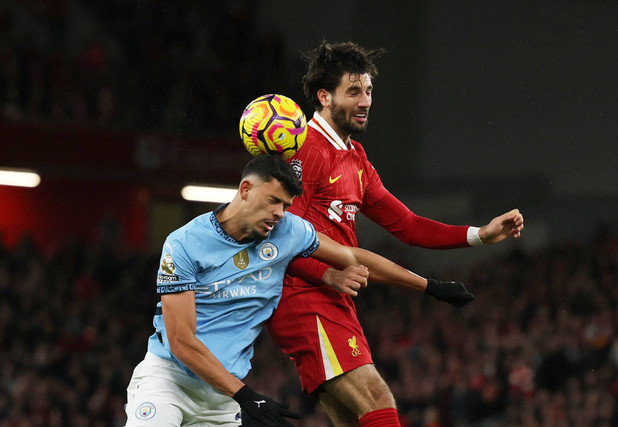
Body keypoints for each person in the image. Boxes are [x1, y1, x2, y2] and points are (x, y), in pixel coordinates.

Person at [266, 41, 526, 426]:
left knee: (355, 418)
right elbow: (280, 239)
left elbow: (407, 225)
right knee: (376, 398)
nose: (366, 100)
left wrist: (479, 235)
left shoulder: (355, 158)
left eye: (368, 91)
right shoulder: (308, 149)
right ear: (324, 96)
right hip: (302, 296)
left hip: (334, 296)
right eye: (353, 91)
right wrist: (328, 273)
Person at [124, 154, 472, 426]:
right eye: (273, 200)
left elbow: (351, 256)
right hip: (169, 381)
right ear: (245, 190)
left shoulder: (288, 231)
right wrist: (246, 396)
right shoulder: (184, 244)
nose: (279, 213)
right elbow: (182, 341)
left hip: (222, 398)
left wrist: (428, 286)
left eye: (286, 206)